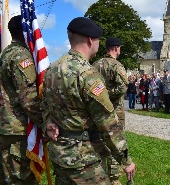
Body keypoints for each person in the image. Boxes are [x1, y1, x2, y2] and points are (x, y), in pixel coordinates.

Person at [41, 17, 135, 184]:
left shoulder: (51, 70)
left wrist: (47, 123)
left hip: (60, 154)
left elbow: (45, 105)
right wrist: (125, 160)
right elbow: (107, 121)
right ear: (91, 40)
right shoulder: (87, 74)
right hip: (84, 158)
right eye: (98, 40)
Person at [0, 15, 43, 184]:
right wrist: (45, 122)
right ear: (26, 32)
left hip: (6, 127)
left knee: (6, 177)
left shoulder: (6, 53)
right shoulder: (21, 57)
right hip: (18, 130)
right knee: (21, 179)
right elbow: (29, 99)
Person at [93, 37, 130, 184]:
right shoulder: (116, 66)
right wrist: (106, 93)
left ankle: (101, 173)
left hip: (97, 111)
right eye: (119, 48)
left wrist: (100, 94)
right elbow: (123, 87)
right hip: (114, 111)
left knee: (100, 141)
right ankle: (114, 178)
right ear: (116, 48)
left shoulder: (95, 65)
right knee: (115, 142)